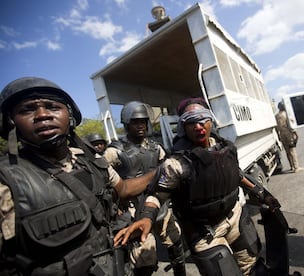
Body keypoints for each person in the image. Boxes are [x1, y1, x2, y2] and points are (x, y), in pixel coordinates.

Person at [0, 77, 154, 275]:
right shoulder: (6, 181)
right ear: (11, 122)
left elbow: (123, 189)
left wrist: (158, 172)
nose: (42, 115)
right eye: (27, 110)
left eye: (52, 107)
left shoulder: (91, 161)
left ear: (70, 116)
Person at [113, 97, 282, 276]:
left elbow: (238, 175)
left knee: (256, 270)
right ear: (183, 128)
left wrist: (263, 194)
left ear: (211, 120)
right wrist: (147, 217)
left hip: (236, 219)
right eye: (191, 121)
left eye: (202, 118)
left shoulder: (225, 148)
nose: (198, 126)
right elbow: (157, 194)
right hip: (205, 234)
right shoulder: (176, 163)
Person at [103, 101, 186, 276]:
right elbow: (104, 181)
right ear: (126, 124)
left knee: (175, 244)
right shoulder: (115, 151)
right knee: (144, 259)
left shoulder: (156, 148)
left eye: (143, 121)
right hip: (133, 211)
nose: (140, 125)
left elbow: (168, 173)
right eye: (135, 122)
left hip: (158, 205)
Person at [275, 101, 304, 173]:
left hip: (281, 134)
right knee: (292, 151)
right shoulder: (286, 114)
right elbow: (291, 125)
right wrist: (295, 133)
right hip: (288, 134)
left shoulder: (276, 116)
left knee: (287, 152)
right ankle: (296, 167)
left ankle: (291, 166)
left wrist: (278, 136)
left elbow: (276, 127)